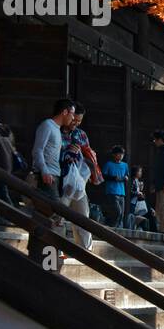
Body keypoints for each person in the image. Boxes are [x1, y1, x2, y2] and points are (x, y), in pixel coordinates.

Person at [59, 106, 102, 250]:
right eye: (74, 119)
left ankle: (85, 251)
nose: (75, 123)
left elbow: (88, 155)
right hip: (62, 181)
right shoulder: (56, 130)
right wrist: (67, 152)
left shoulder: (81, 134)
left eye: (79, 121)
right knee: (58, 214)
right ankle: (53, 249)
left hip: (79, 182)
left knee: (83, 216)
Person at [31, 98, 76, 230]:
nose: (73, 118)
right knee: (56, 212)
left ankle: (46, 246)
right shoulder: (47, 125)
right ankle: (50, 247)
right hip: (47, 176)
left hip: (54, 176)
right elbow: (37, 150)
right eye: (72, 114)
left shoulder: (57, 129)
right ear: (64, 112)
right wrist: (44, 170)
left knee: (47, 214)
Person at [100, 145, 129, 228]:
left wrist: (126, 178)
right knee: (117, 211)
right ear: (114, 155)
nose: (121, 156)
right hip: (111, 191)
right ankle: (112, 227)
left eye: (122, 154)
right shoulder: (108, 164)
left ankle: (117, 229)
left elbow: (127, 174)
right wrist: (114, 178)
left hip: (121, 192)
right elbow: (103, 176)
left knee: (122, 213)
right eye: (118, 154)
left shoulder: (125, 165)